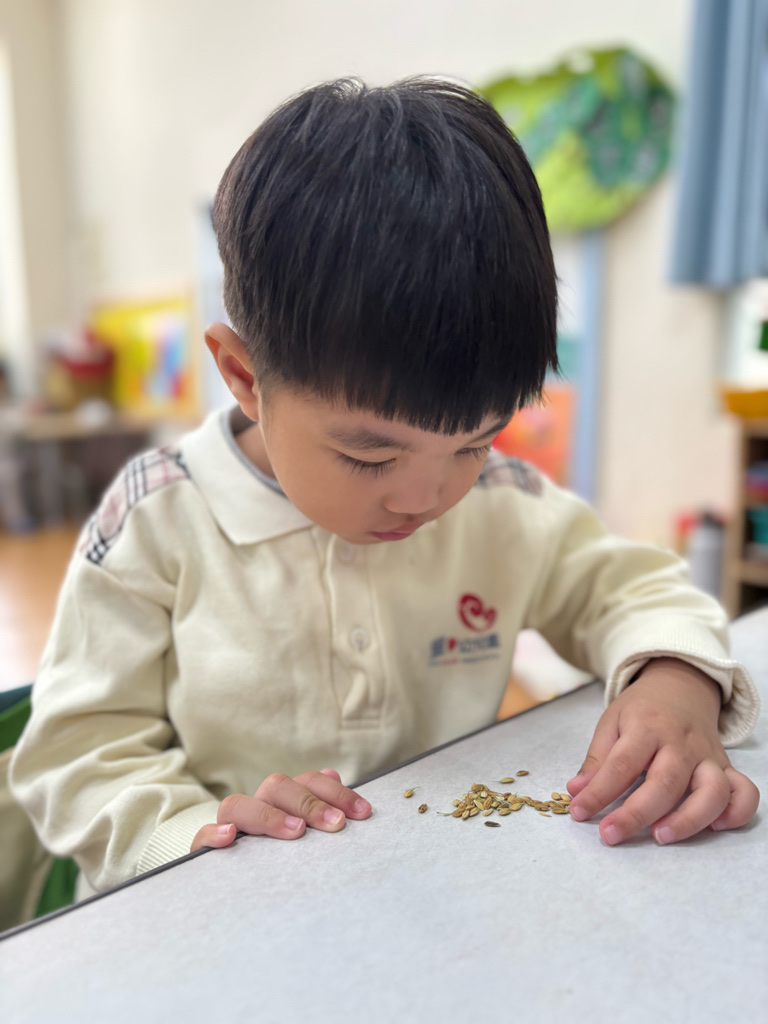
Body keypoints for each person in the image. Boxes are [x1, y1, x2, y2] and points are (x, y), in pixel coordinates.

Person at [9, 78, 760, 900]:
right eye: (370, 456)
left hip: (431, 893)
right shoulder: (157, 518)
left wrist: (674, 678)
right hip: (215, 910)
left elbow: (631, 591)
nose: (426, 498)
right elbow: (74, 760)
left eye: (474, 441)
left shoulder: (504, 502)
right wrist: (190, 833)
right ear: (245, 377)